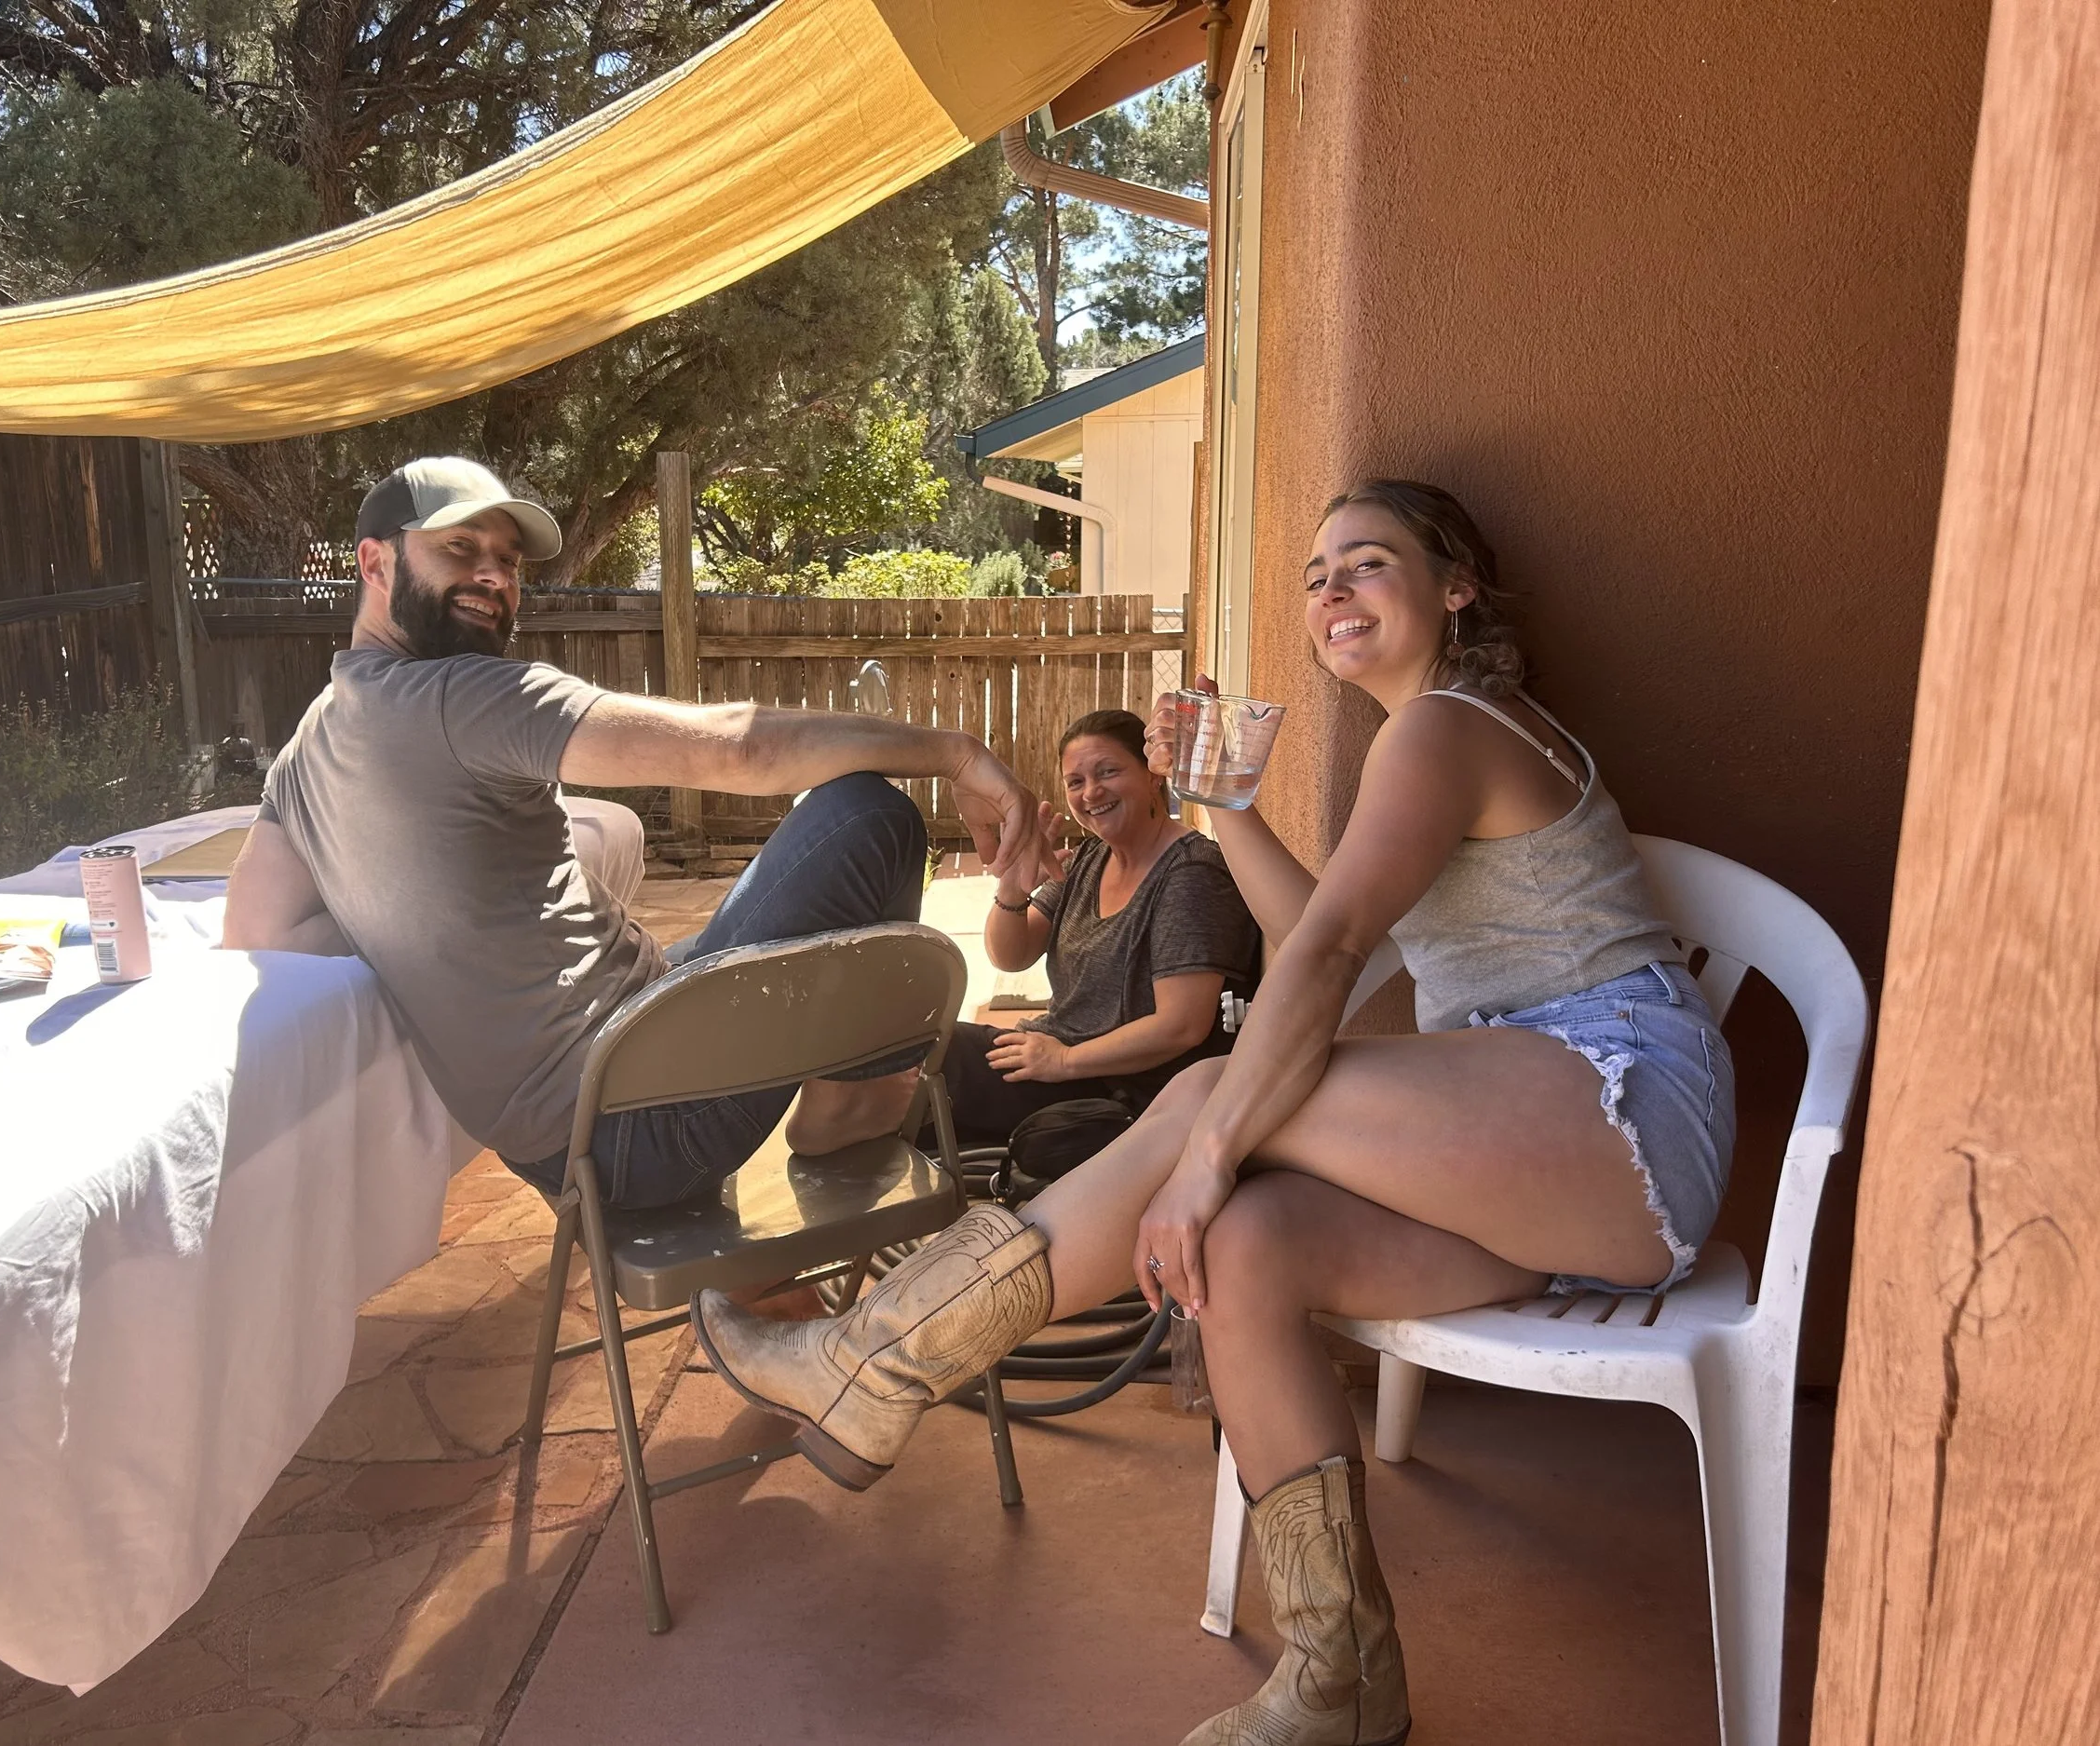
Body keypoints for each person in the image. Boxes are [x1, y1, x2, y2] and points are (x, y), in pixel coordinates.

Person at [691, 479, 1737, 1746]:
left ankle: (872, 1359)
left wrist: (1211, 1151)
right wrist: (1229, 806)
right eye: (1315, 574)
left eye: (1367, 564)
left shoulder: (1449, 723)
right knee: (1247, 1249)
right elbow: (1313, 933)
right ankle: (1342, 1677)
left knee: (1203, 1096)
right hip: (1527, 1161)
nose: (1331, 591)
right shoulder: (1428, 739)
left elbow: (1336, 946)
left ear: (1455, 589)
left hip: (1620, 1109)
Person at [223, 456, 1054, 1209]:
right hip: (644, 1121)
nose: (493, 576)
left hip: (568, 1148)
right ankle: (851, 1102)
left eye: (508, 560)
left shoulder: (305, 750)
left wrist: (422, 932)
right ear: (375, 561)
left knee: (815, 931)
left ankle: (902, 1069)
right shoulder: (468, 694)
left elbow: (261, 934)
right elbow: (742, 746)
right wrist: (954, 753)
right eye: (459, 548)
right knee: (870, 817)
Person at [942, 709, 1260, 1147]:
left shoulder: (1190, 875)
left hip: (1118, 1097)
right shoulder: (1091, 859)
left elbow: (1182, 1025)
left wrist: (1064, 1061)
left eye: (1108, 772)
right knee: (921, 1041)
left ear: (1153, 776)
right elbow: (1011, 956)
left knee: (928, 1073)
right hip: (1056, 1059)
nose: (1091, 792)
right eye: (1076, 782)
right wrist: (1012, 889)